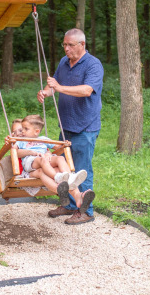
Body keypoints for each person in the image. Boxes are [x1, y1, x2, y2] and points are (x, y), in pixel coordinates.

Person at [37, 28, 104, 225]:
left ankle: (86, 211)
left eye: (70, 45)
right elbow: (54, 85)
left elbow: (86, 90)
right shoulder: (64, 62)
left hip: (85, 126)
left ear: (82, 45)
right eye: (64, 45)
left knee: (82, 169)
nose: (66, 49)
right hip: (66, 125)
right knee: (64, 168)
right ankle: (70, 205)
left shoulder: (93, 64)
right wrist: (46, 92)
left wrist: (59, 88)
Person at [15, 114, 95, 212]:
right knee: (43, 160)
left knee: (60, 159)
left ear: (37, 131)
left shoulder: (43, 139)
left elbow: (58, 148)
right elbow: (15, 152)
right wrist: (33, 152)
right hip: (31, 162)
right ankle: (57, 177)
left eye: (25, 129)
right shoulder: (21, 140)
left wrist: (64, 145)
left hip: (45, 165)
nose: (22, 131)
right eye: (22, 128)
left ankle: (77, 194)